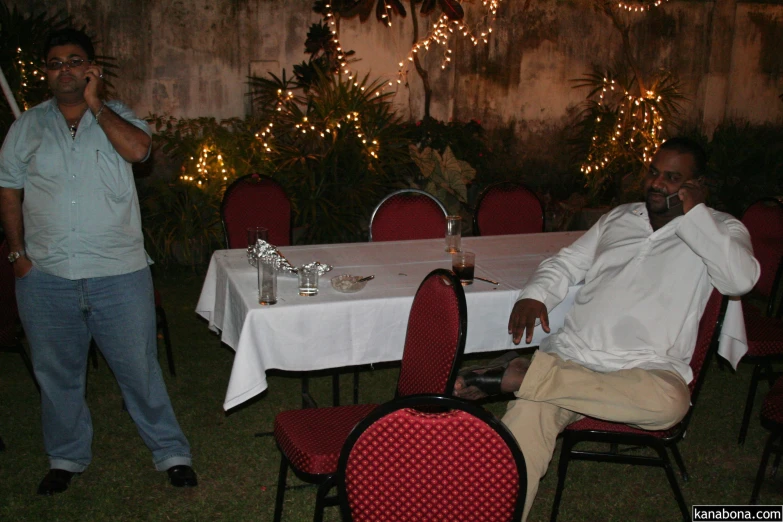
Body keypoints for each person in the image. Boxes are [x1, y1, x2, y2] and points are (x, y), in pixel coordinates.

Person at [455, 137, 759, 520]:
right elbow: (565, 263)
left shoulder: (721, 229)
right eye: (653, 172)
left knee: (671, 403)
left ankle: (525, 376)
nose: (656, 183)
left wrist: (696, 215)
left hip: (645, 369)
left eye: (672, 177)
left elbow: (740, 280)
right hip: (574, 357)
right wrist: (534, 296)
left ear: (697, 186)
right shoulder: (619, 217)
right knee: (522, 429)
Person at [0, 28, 196, 495]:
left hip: (118, 272)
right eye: (54, 62)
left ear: (91, 69)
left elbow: (139, 151)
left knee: (139, 369)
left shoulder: (117, 117)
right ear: (45, 73)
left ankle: (171, 452)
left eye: (74, 61)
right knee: (56, 375)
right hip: (46, 275)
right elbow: (9, 190)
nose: (64, 69)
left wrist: (96, 104)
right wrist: (17, 255)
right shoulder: (25, 126)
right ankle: (65, 457)